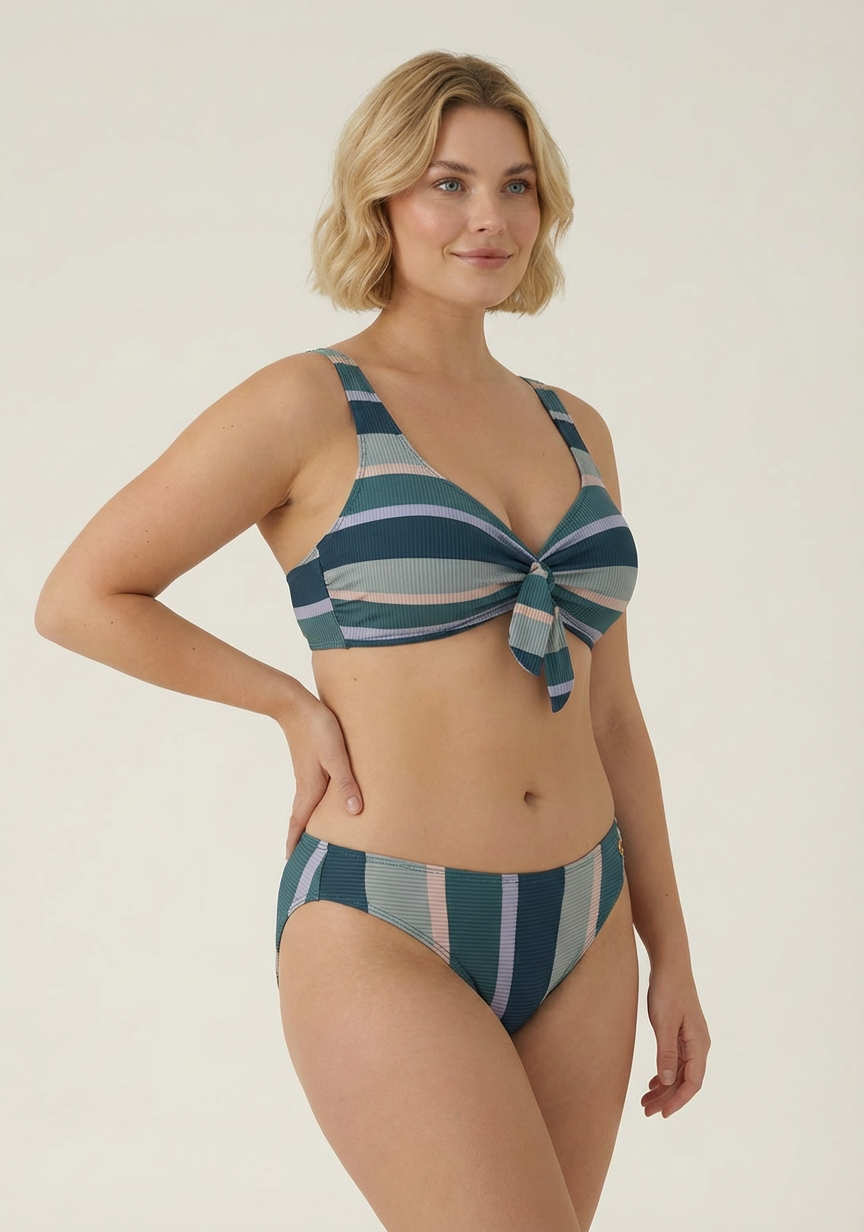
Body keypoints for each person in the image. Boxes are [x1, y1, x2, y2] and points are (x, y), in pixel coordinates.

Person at [35, 49, 710, 1232]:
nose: (489, 217)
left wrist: (674, 953)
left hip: (588, 919)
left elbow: (613, 712)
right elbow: (83, 593)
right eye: (449, 183)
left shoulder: (577, 426)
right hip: (385, 918)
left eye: (515, 185)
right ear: (380, 199)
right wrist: (287, 703)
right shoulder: (308, 402)